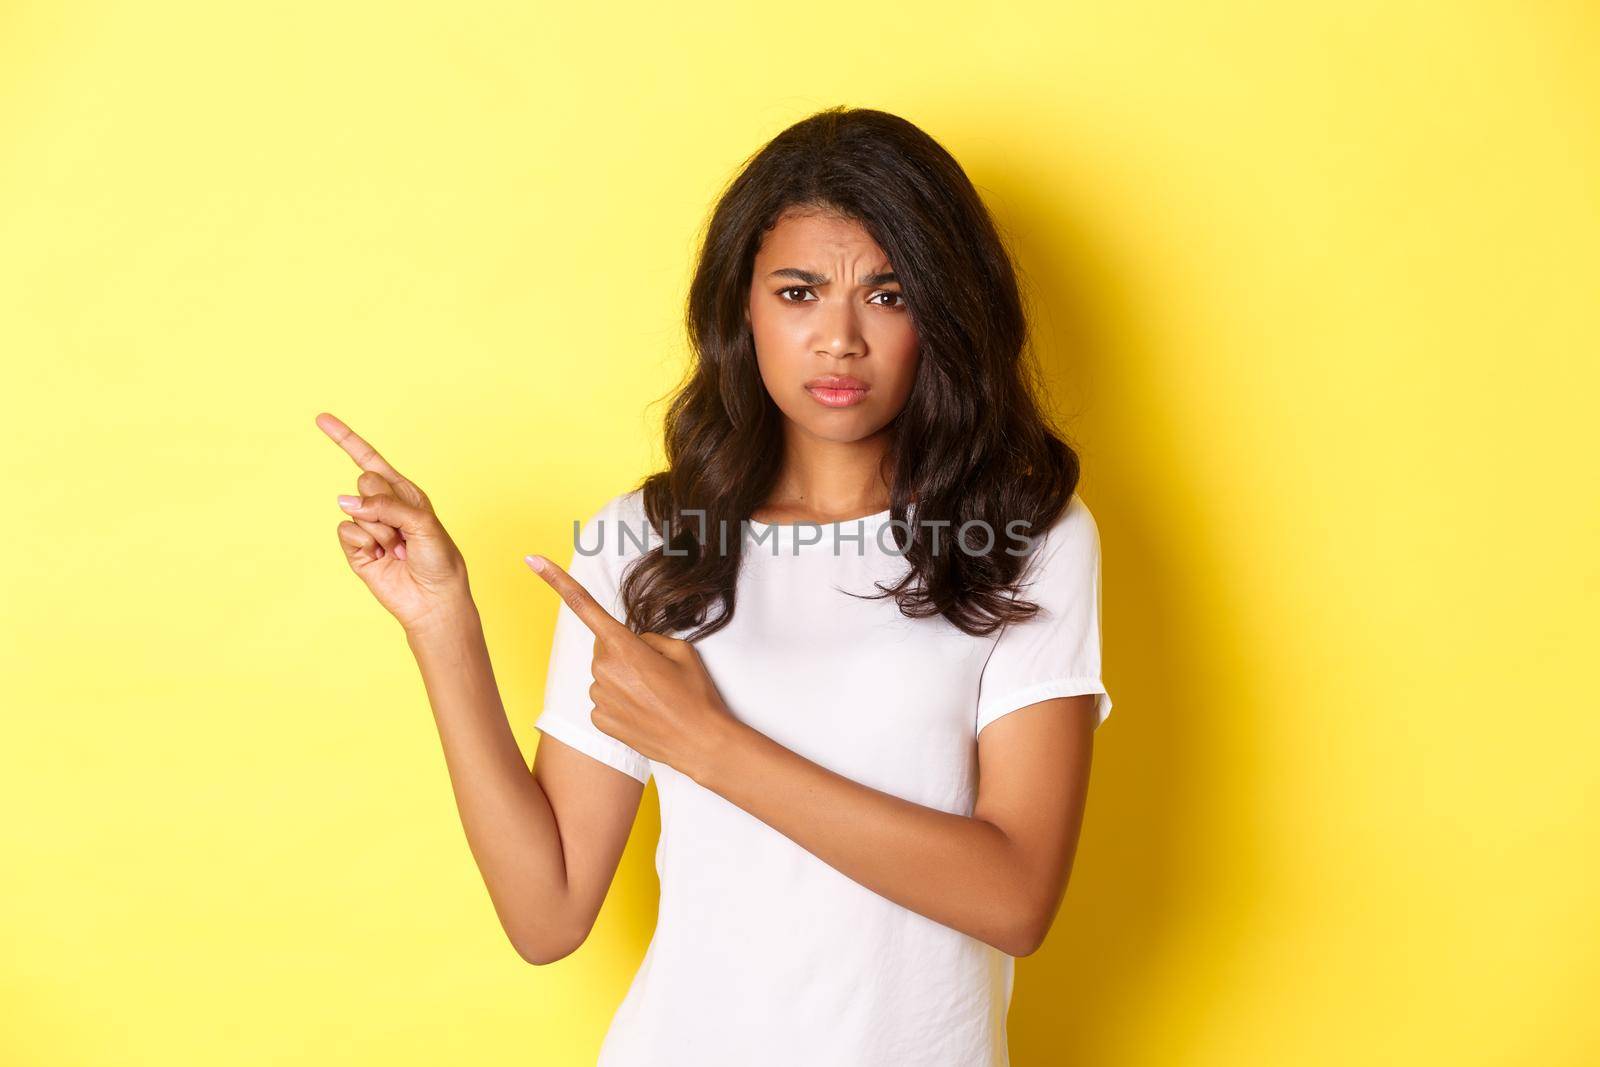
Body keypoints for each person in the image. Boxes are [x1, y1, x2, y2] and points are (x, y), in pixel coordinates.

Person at [318, 105, 1111, 1066]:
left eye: (890, 294)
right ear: (743, 306)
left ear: (944, 314)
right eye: (800, 291)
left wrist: (706, 743)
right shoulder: (643, 542)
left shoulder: (1025, 538)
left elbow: (1015, 897)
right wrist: (440, 623)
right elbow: (548, 912)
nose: (840, 339)